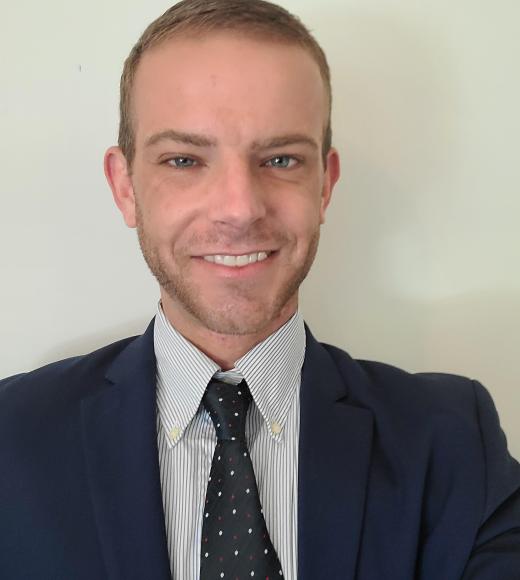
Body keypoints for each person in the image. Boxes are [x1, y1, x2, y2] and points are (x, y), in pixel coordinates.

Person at [1, 0, 519, 578]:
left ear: (325, 184)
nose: (239, 208)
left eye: (280, 159)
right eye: (183, 159)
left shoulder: (452, 442)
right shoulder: (12, 437)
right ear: (124, 187)